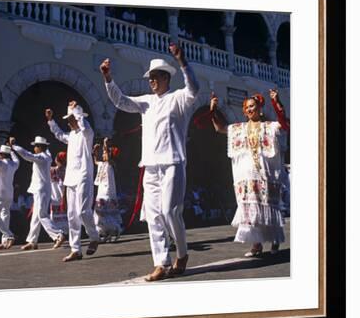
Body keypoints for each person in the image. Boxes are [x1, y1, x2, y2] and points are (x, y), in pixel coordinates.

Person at [100, 43, 199, 281]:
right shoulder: (146, 102)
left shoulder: (179, 99)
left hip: (173, 163)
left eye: (155, 77)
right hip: (150, 165)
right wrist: (108, 79)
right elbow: (120, 101)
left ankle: (182, 254)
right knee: (154, 216)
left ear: (166, 78)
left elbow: (194, 88)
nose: (151, 81)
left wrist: (183, 62)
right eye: (150, 78)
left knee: (170, 212)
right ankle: (161, 263)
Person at [210, 89, 289, 256]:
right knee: (252, 209)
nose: (250, 109)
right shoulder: (238, 129)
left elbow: (285, 124)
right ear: (244, 112)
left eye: (253, 106)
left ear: (260, 108)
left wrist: (276, 102)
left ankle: (274, 240)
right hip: (247, 176)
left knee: (269, 206)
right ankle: (256, 245)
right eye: (247, 107)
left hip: (265, 174)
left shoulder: (269, 126)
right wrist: (214, 110)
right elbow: (219, 128)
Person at [46, 102, 100, 262]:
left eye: (71, 118)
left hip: (84, 175)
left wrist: (76, 111)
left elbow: (84, 125)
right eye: (68, 119)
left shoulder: (87, 134)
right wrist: (51, 121)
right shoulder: (72, 136)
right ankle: (76, 249)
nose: (69, 122)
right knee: (71, 215)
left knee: (83, 211)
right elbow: (59, 134)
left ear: (78, 118)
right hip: (71, 177)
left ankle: (94, 236)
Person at [10, 136, 66, 250]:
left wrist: (14, 146)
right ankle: (32, 241)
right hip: (40, 189)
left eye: (35, 146)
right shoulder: (47, 156)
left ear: (40, 147)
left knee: (41, 215)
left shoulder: (41, 157)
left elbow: (27, 155)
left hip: (41, 190)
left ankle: (58, 235)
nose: (34, 148)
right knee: (36, 216)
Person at [93, 138, 123, 242]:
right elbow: (96, 161)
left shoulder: (111, 164)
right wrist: (95, 152)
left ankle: (115, 231)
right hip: (101, 191)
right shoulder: (102, 164)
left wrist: (105, 144)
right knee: (100, 212)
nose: (103, 155)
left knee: (109, 212)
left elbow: (108, 158)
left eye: (105, 153)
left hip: (108, 192)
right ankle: (104, 232)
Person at [50, 151, 69, 245]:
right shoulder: (67, 171)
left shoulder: (52, 170)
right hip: (63, 198)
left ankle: (60, 236)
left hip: (56, 198)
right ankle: (61, 235)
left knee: (54, 220)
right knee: (64, 220)